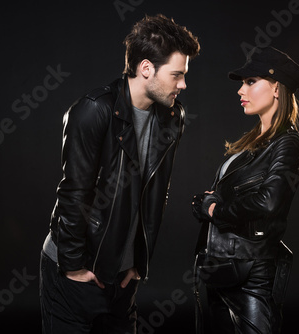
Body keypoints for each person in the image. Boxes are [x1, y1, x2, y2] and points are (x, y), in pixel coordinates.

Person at [39, 14, 200, 334]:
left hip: (122, 277)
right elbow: (75, 192)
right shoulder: (93, 109)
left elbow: (156, 191)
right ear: (146, 69)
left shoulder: (172, 118)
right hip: (75, 272)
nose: (183, 84)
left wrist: (139, 263)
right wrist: (73, 266)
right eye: (176, 75)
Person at [191, 46, 299, 334]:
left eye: (250, 82)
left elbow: (269, 202)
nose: (241, 90)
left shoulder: (288, 143)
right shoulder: (251, 145)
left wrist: (216, 209)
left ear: (277, 88)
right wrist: (207, 202)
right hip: (221, 272)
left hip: (251, 276)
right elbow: (239, 195)